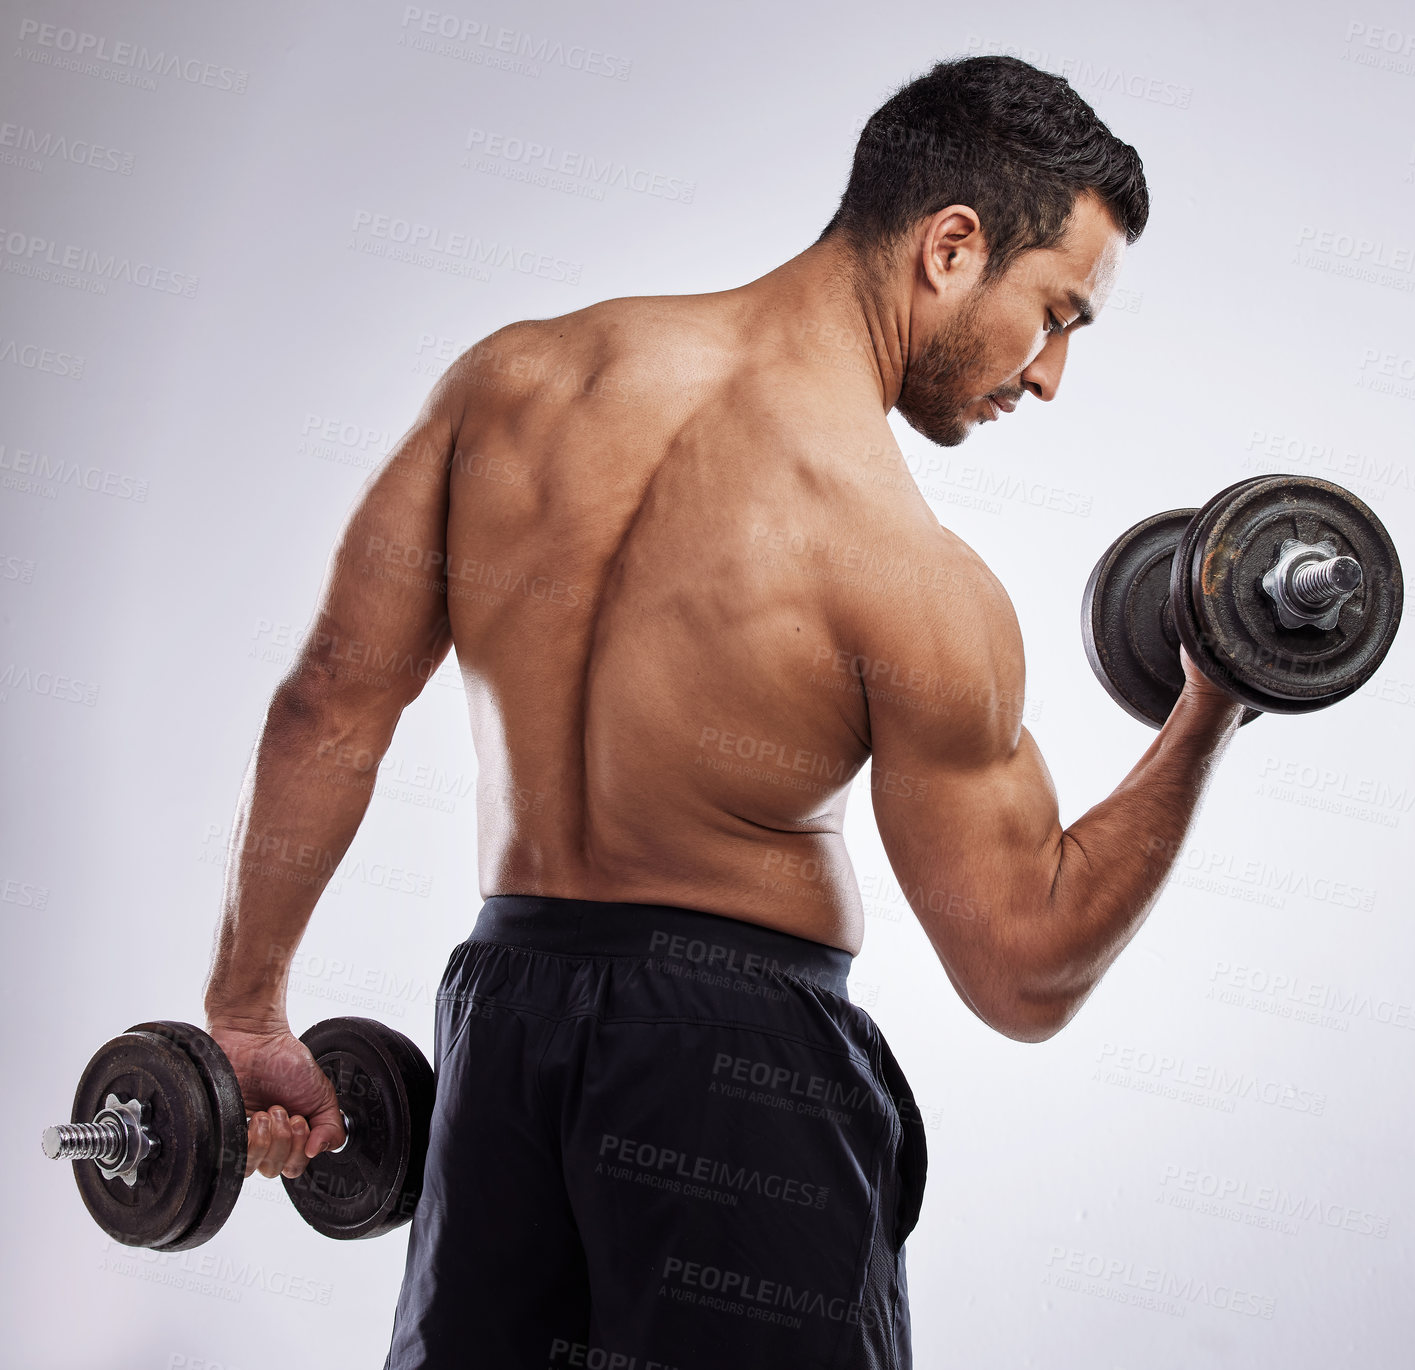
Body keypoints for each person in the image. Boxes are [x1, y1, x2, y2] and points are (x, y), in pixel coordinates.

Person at [201, 54, 1242, 1367]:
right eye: (1055, 315)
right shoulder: (906, 569)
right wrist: (1212, 706)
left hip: (500, 1020)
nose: (1045, 378)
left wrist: (245, 1012)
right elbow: (1022, 965)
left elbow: (326, 708)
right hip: (738, 1066)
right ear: (951, 246)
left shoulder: (508, 383)